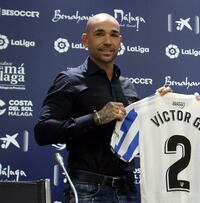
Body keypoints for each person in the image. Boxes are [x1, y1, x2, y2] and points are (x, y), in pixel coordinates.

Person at [34, 13, 170, 203]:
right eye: (99, 34)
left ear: (120, 41)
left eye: (114, 35)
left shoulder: (127, 85)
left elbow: (139, 133)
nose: (108, 41)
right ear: (85, 40)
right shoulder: (70, 80)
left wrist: (158, 106)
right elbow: (42, 131)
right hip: (87, 190)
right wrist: (95, 118)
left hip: (128, 190)